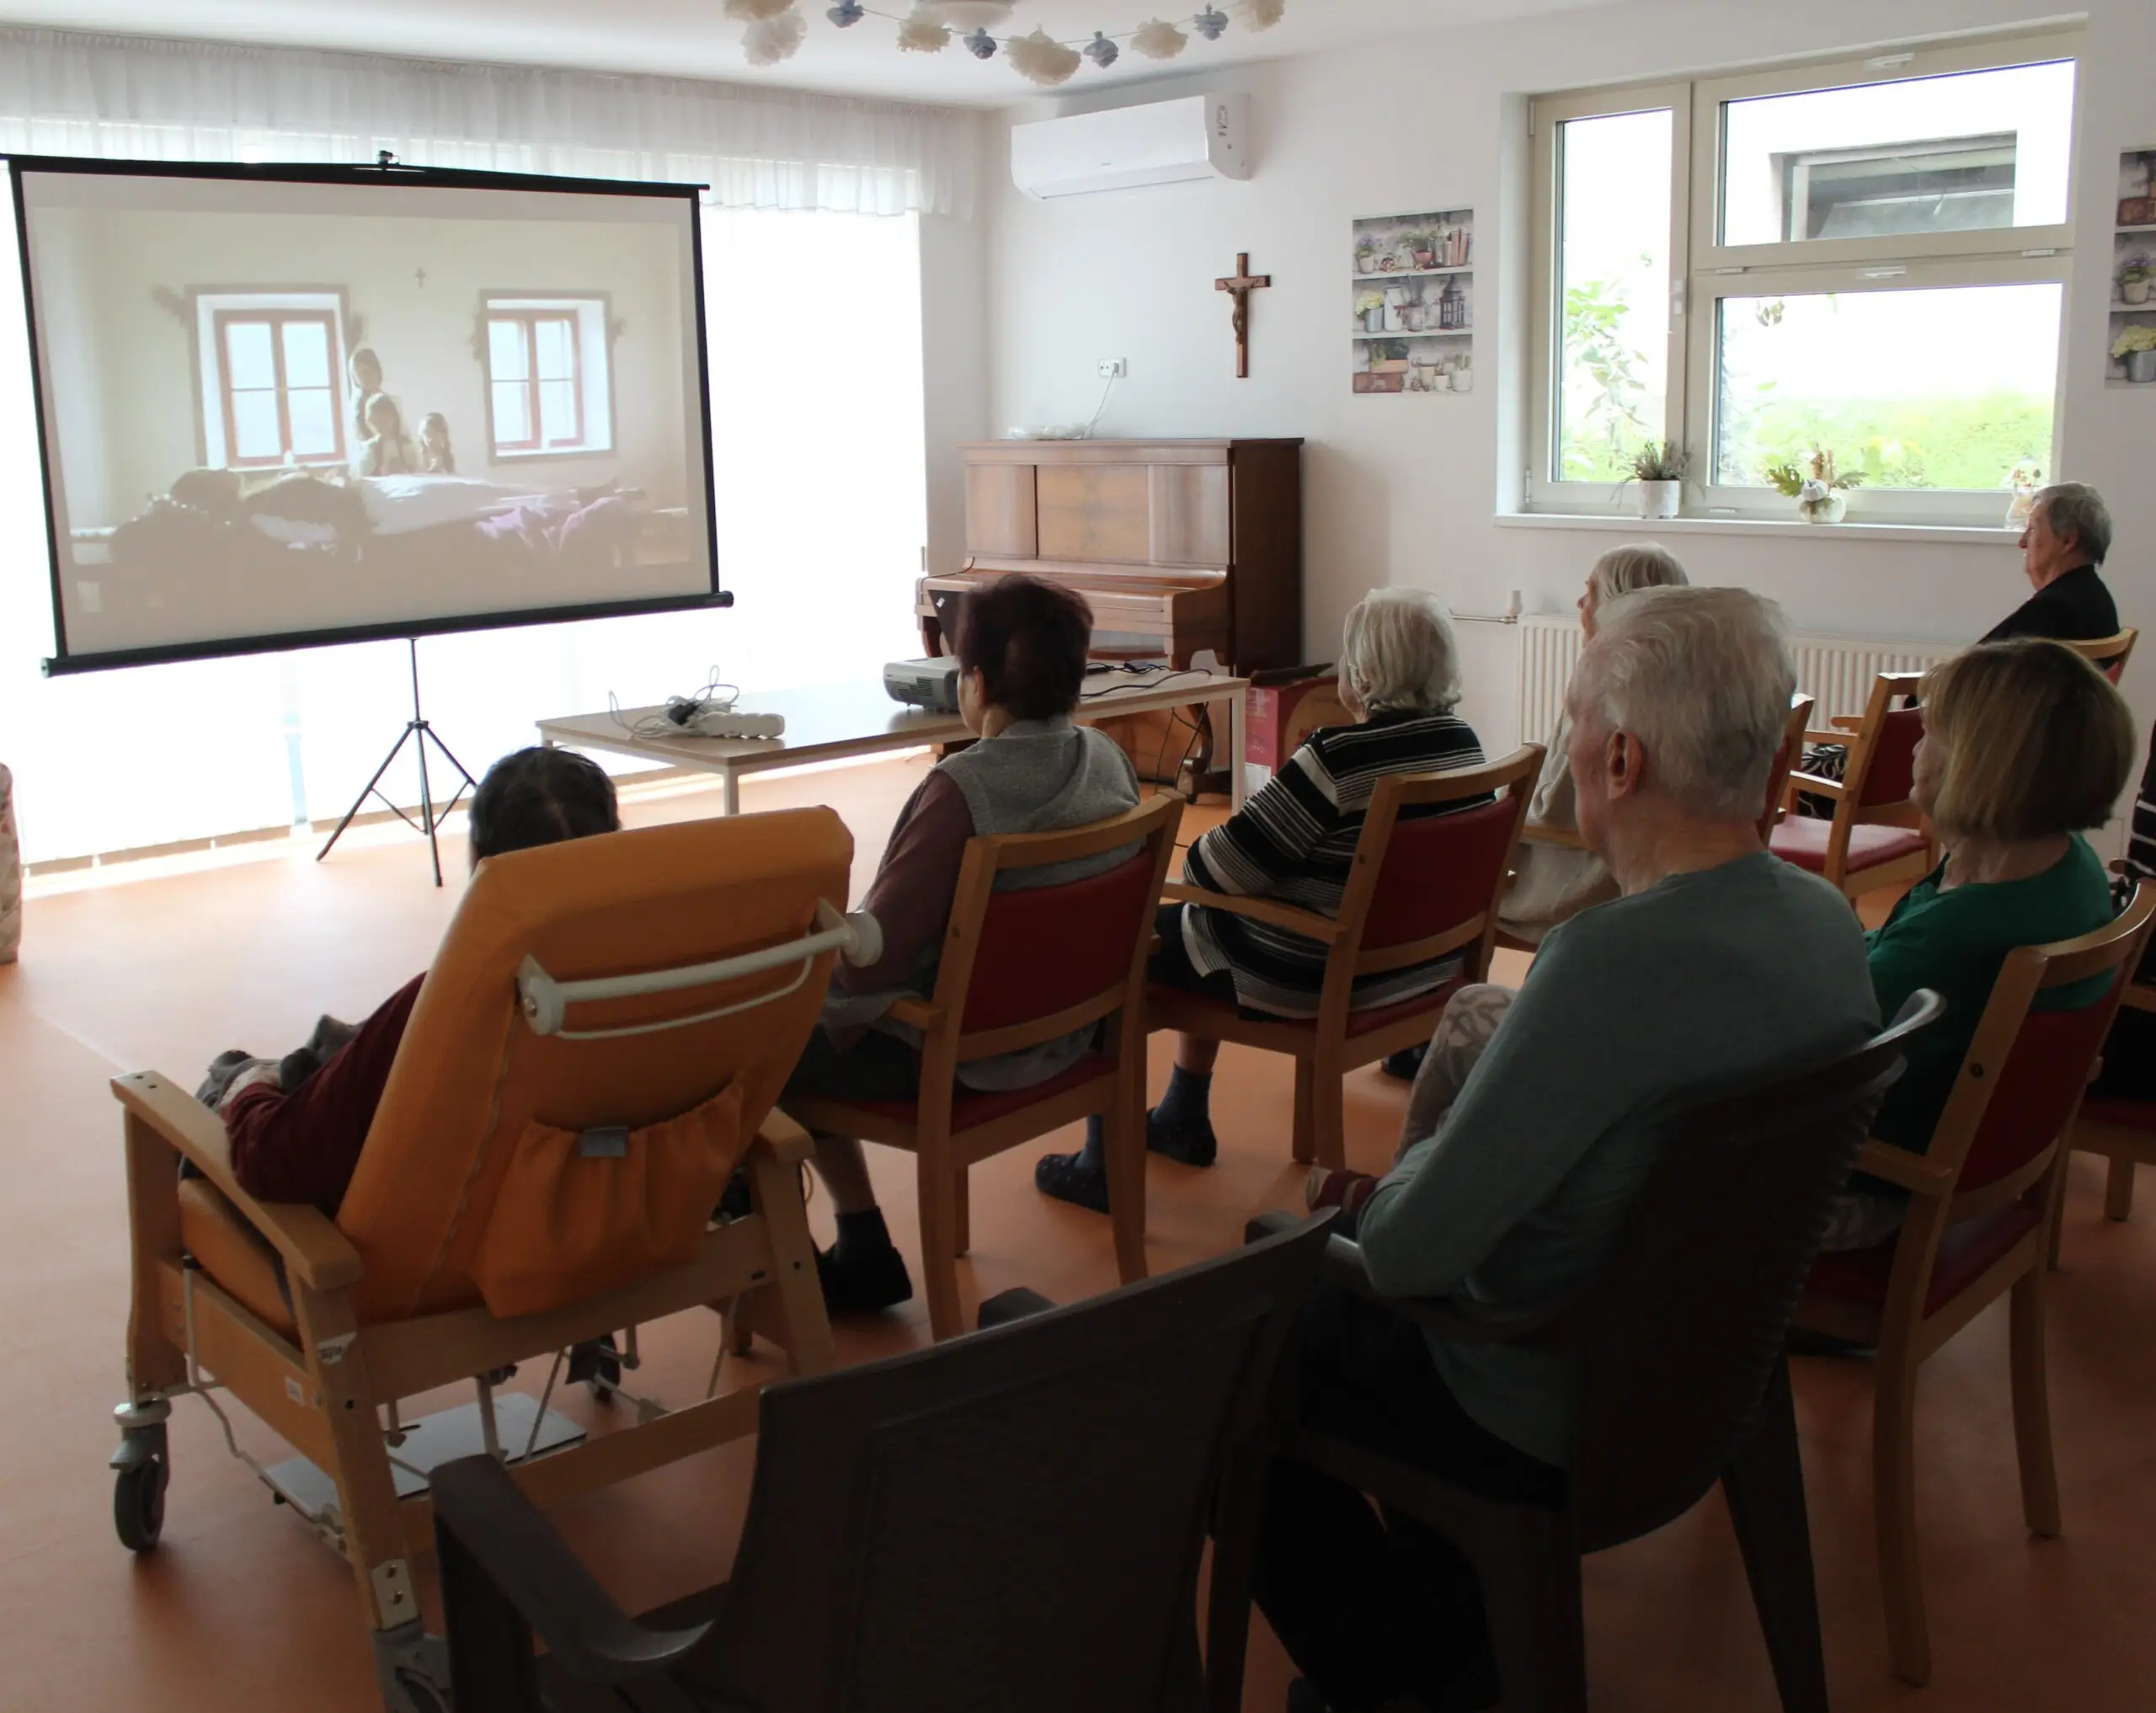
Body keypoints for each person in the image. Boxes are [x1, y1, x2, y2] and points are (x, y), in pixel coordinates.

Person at [1261, 586, 1879, 1713]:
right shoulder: (1828, 925)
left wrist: (1386, 1184)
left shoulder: (1601, 965)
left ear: (1623, 760)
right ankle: (1453, 1627)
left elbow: (1405, 1252)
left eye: (1577, 723)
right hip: (1709, 1369)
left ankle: (1400, 1683)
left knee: (1239, 1349)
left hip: (1543, 1400)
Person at [1033, 586, 1488, 1214]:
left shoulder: (1337, 759)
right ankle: (1181, 1112)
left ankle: (1102, 1164)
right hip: (1423, 971)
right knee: (1205, 925)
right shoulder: (1463, 743)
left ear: (1363, 676)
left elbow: (1213, 869)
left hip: (1310, 974)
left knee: (1130, 941)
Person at [788, 574, 1141, 1313]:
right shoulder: (1110, 760)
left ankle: (860, 1244)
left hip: (957, 1060)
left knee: (769, 1048)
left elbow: (871, 963)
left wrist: (803, 942)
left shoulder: (960, 790)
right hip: (1073, 1037)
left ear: (976, 683)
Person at [1818, 639, 2137, 1251]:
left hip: (1871, 1187)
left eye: (1930, 733)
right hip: (1950, 1152)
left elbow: (1812, 1051)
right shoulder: (2064, 864)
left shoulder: (1959, 936)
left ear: (1980, 763)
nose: (1914, 747)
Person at [209, 747, 621, 1213]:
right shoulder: (668, 981)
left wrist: (247, 1086)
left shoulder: (451, 1004)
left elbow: (274, 1158)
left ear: (479, 862)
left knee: (231, 1081)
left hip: (454, 1247)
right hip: (619, 1224)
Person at [1500, 544, 1690, 945]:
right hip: (1657, 874)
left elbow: (1553, 811)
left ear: (1619, 605)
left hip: (1584, 885)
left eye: (1591, 591)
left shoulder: (1601, 689)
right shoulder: (1685, 682)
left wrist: (1498, 802)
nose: (1581, 603)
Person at [1983, 482, 2120, 645]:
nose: (2022, 542)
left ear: (2067, 541)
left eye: (2033, 529)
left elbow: (1980, 661)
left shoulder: (2050, 610)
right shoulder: (2098, 598)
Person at [356, 392, 417, 478]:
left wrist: (403, 472)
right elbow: (363, 478)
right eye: (375, 423)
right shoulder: (369, 449)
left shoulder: (407, 447)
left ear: (393, 417)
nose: (379, 427)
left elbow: (419, 475)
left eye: (382, 420)